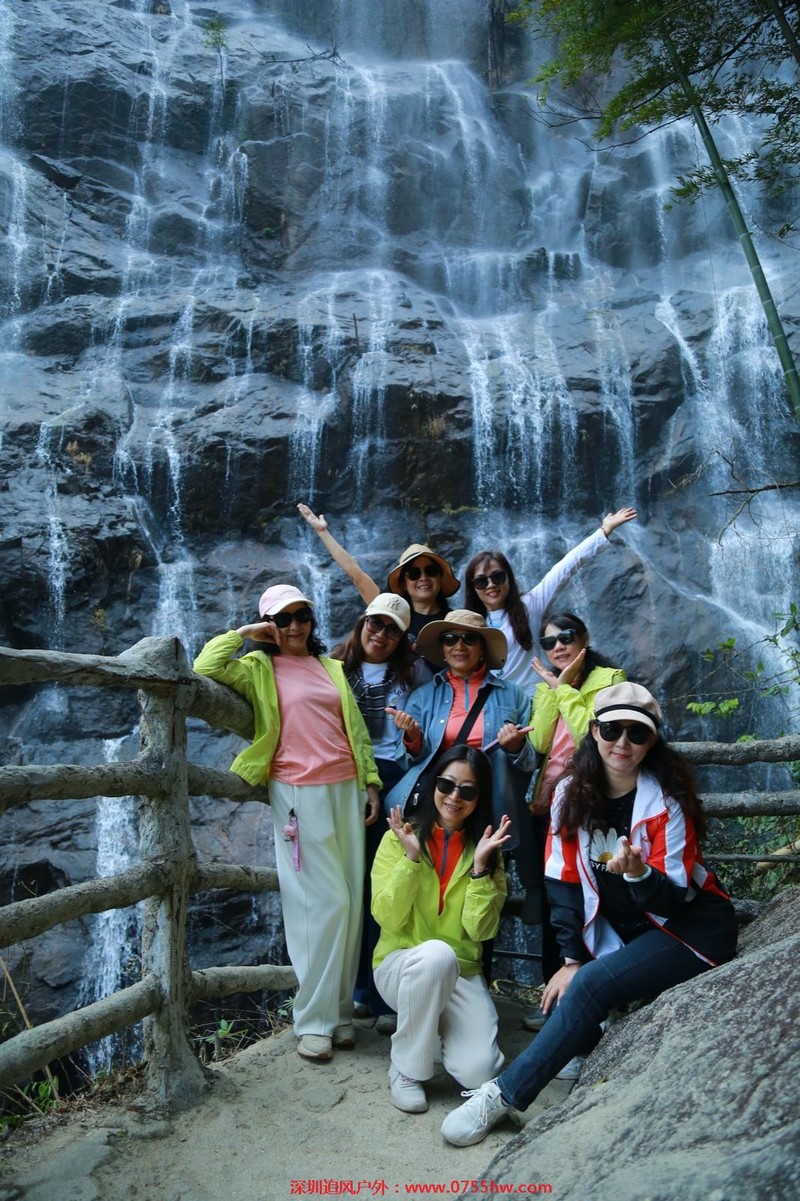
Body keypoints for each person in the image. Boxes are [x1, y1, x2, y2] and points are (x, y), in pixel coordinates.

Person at [441, 682, 738, 1146]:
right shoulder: (568, 795)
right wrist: (571, 958)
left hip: (690, 930)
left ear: (652, 742)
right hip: (627, 931)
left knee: (592, 985)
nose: (622, 743)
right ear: (594, 731)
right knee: (579, 980)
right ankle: (583, 1037)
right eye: (612, 730)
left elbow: (674, 899)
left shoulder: (667, 804)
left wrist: (639, 873)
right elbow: (562, 883)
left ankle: (502, 1096)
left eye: (637, 734)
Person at [193, 584, 382, 1063]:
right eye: (283, 618)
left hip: (346, 787)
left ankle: (339, 1014)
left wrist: (371, 782)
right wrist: (245, 633)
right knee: (322, 904)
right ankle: (313, 1020)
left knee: (350, 903)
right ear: (269, 624)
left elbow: (355, 731)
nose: (295, 626)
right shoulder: (259, 666)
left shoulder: (330, 666)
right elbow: (205, 667)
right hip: (299, 791)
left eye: (302, 616)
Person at [371, 745, 511, 1113]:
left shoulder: (488, 852)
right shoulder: (398, 838)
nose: (454, 797)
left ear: (479, 797)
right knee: (436, 955)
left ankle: (430, 1029)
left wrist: (480, 870)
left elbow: (480, 932)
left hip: (462, 973)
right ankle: (406, 1070)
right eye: (446, 785)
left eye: (468, 790)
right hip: (401, 966)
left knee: (480, 1072)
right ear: (433, 784)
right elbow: (387, 918)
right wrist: (411, 860)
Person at [329, 592, 426, 1027]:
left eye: (392, 630)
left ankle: (379, 994)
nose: (381, 634)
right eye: (376, 623)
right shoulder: (333, 666)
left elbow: (420, 740)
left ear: (402, 638)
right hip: (339, 776)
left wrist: (411, 735)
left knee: (379, 883)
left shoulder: (413, 674)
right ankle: (354, 990)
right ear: (362, 622)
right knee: (345, 887)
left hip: (390, 778)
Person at [525, 612, 626, 1010]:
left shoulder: (611, 680)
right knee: (556, 902)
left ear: (584, 638)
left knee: (596, 893)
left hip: (592, 805)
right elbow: (539, 742)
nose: (558, 647)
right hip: (549, 807)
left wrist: (564, 689)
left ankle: (599, 994)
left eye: (566, 637)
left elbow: (593, 737)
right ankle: (553, 1000)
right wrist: (554, 690)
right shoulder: (544, 687)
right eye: (549, 643)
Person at [383, 610, 536, 853]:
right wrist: (412, 737)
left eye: (469, 638)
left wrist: (516, 746)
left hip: (490, 800)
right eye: (450, 639)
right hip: (441, 799)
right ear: (443, 648)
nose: (459, 646)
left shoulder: (514, 695)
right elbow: (405, 761)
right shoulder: (423, 696)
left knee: (483, 867)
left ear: (483, 647)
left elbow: (529, 764)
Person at [462, 507, 637, 696]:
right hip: (491, 705)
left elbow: (565, 568)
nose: (491, 585)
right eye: (481, 581)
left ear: (508, 577)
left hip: (532, 701)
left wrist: (604, 530)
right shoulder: (469, 624)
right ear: (473, 587)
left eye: (497, 577)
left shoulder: (529, 606)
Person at [297, 503, 459, 649]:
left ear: (440, 577)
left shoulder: (454, 621)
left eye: (430, 571)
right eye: (414, 574)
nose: (423, 578)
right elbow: (356, 574)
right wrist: (323, 532)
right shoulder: (391, 612)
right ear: (403, 583)